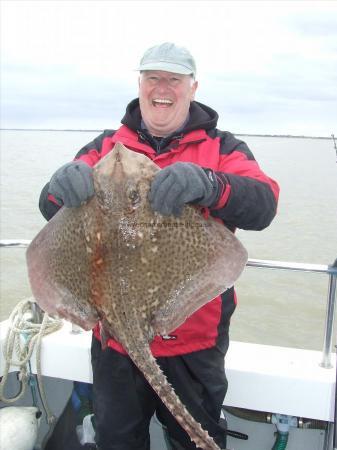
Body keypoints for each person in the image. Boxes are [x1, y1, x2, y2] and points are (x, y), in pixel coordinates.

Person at [39, 42, 279, 450]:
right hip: (113, 341)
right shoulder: (106, 146)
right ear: (140, 84)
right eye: (153, 78)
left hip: (194, 343)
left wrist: (209, 184)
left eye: (173, 79)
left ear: (193, 87)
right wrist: (61, 186)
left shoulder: (223, 148)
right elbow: (50, 207)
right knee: (117, 441)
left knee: (194, 440)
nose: (161, 87)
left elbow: (263, 203)